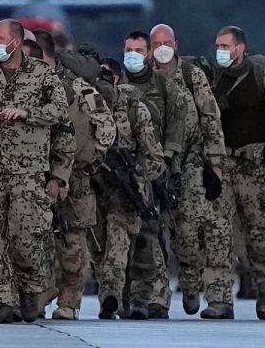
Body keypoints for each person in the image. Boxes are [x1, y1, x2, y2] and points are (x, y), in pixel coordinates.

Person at [0, 18, 72, 324]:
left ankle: (31, 290)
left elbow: (60, 112)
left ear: (16, 42)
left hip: (28, 172)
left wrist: (27, 114)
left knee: (25, 238)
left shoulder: (43, 75)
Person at [207, 25, 265, 320]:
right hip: (222, 167)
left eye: (225, 46)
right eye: (218, 45)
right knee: (218, 235)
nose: (220, 51)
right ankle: (220, 300)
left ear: (240, 48)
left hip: (254, 168)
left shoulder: (264, 78)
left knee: (259, 238)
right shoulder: (213, 78)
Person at [148, 23, 230, 317]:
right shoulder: (143, 78)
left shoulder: (191, 75)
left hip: (192, 161)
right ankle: (157, 297)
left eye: (166, 42)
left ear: (176, 44)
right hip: (154, 164)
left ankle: (195, 286)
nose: (161, 47)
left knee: (192, 230)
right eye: (156, 43)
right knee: (154, 231)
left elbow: (210, 117)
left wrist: (216, 163)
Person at [37, 30, 115, 321]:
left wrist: (88, 159)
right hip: (36, 176)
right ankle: (39, 294)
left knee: (71, 243)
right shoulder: (27, 86)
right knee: (35, 240)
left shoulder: (79, 89)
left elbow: (106, 129)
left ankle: (69, 302)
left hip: (76, 178)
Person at [120, 29, 189, 319]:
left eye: (138, 50)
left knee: (156, 233)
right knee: (128, 235)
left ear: (148, 54)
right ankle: (130, 297)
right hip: (125, 170)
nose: (132, 55)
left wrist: (169, 160)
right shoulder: (117, 83)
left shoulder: (163, 83)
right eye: (128, 50)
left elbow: (177, 123)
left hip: (156, 168)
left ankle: (157, 298)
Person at [90, 60, 166, 319]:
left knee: (120, 240)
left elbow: (154, 156)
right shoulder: (87, 105)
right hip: (95, 186)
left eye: (107, 75)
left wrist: (138, 178)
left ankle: (115, 295)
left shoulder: (134, 108)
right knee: (99, 244)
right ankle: (114, 297)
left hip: (127, 188)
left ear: (118, 79)